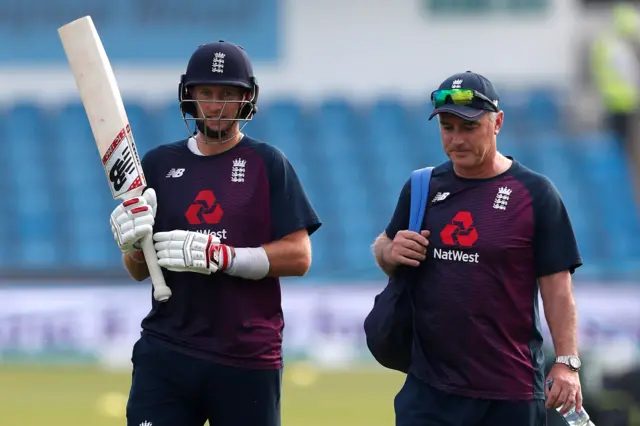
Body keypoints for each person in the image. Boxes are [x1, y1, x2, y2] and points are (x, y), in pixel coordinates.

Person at [109, 40, 322, 426]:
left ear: (246, 98)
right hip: (168, 348)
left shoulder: (267, 162)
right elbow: (139, 270)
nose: (216, 104)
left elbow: (300, 256)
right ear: (189, 95)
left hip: (246, 355)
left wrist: (225, 257)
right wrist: (133, 245)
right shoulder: (157, 164)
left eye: (228, 94)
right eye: (206, 93)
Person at [372, 71, 583, 426]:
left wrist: (566, 362)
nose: (456, 140)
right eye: (447, 127)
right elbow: (385, 247)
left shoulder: (536, 194)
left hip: (510, 393)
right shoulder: (421, 187)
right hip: (430, 392)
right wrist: (389, 252)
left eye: (468, 127)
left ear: (497, 122)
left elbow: (558, 290)